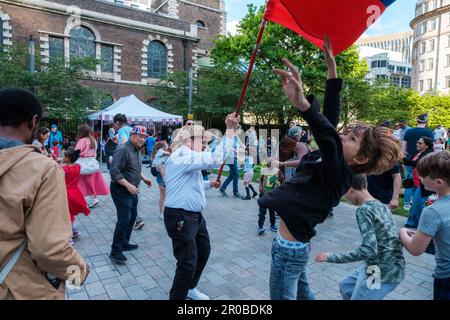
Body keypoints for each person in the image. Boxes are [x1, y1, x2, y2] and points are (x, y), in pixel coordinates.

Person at [259, 36, 401, 300]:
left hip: (290, 248)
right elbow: (330, 120)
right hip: (294, 245)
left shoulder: (340, 170)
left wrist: (303, 105)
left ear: (360, 159)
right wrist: (332, 71)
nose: (343, 137)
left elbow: (325, 132)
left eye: (352, 139)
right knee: (304, 294)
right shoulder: (338, 160)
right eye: (346, 134)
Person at [0, 87, 89, 299]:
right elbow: (49, 249)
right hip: (22, 289)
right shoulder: (43, 169)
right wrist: (79, 274)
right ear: (33, 121)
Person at [163, 115, 238, 300]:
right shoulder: (182, 154)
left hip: (193, 216)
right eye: (202, 140)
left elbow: (184, 183)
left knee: (203, 251)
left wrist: (207, 184)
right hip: (181, 216)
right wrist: (228, 131)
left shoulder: (186, 158)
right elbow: (214, 158)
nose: (204, 144)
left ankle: (190, 287)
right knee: (187, 262)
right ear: (188, 140)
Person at [315, 174, 405, 300]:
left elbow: (368, 250)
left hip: (382, 272)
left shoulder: (363, 210)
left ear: (350, 189)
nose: (344, 196)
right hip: (380, 264)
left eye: (343, 192)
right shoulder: (379, 203)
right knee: (346, 287)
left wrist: (331, 257)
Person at [400, 151, 450, 300]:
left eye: (422, 175)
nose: (420, 178)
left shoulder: (432, 211)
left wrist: (403, 232)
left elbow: (416, 250)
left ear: (438, 182)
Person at [109, 125, 152, 264]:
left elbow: (134, 168)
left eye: (144, 137)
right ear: (132, 135)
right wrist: (128, 185)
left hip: (132, 189)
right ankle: (115, 251)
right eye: (140, 136)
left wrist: (143, 179)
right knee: (124, 219)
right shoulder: (122, 150)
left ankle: (124, 243)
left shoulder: (138, 149)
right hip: (121, 189)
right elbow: (114, 172)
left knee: (132, 217)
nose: (142, 139)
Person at [402, 114, 434, 211]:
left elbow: (403, 148)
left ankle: (407, 204)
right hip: (421, 162)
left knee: (410, 181)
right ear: (426, 122)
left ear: (417, 121)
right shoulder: (429, 132)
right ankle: (414, 204)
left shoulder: (409, 131)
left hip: (410, 159)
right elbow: (432, 147)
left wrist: (405, 158)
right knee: (418, 183)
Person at [403, 136, 435, 229]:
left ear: (426, 146)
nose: (417, 144)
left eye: (420, 143)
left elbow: (417, 164)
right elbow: (412, 164)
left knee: (418, 203)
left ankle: (425, 224)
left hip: (423, 184)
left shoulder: (428, 154)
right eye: (417, 142)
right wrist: (404, 160)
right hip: (416, 182)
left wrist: (403, 158)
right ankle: (412, 222)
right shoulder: (420, 153)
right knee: (414, 204)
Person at [75, 124, 110, 208]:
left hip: (82, 164)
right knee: (90, 183)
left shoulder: (82, 140)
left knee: (80, 183)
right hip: (92, 165)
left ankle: (82, 200)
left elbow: (76, 152)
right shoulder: (93, 140)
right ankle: (93, 198)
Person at [61, 147, 91, 239]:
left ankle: (69, 236)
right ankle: (74, 230)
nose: (62, 157)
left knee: (66, 213)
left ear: (68, 158)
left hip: (66, 193)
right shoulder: (78, 167)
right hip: (75, 192)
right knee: (69, 212)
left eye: (64, 156)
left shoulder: (64, 169)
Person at [219, 126, 242, 198]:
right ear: (236, 130)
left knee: (232, 175)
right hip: (229, 157)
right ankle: (236, 192)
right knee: (236, 174)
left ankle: (222, 188)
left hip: (234, 157)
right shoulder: (230, 137)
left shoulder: (237, 137)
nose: (241, 131)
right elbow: (228, 145)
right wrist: (234, 150)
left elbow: (240, 144)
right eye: (240, 129)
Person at [258, 163, 279, 236]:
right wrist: (260, 186)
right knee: (262, 213)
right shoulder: (263, 170)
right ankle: (260, 227)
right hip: (263, 195)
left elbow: (279, 181)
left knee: (272, 212)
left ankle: (272, 225)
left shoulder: (277, 170)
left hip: (272, 196)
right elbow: (260, 180)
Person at [151, 141, 171, 220]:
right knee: (163, 195)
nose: (167, 146)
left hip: (161, 172)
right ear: (163, 146)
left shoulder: (162, 153)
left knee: (164, 195)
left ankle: (163, 213)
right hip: (159, 173)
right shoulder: (161, 151)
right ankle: (162, 213)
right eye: (166, 145)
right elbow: (169, 154)